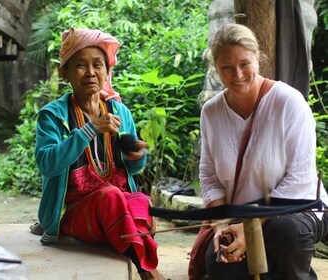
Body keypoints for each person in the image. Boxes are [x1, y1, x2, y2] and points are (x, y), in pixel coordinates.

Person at [31, 27, 166, 280]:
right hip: (73, 213)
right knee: (111, 197)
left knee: (141, 203)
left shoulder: (119, 111)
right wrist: (90, 129)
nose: (91, 72)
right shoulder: (53, 115)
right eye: (81, 65)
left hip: (117, 208)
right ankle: (148, 271)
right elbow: (47, 164)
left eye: (98, 65)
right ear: (66, 74)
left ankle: (138, 256)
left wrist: (136, 156)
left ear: (107, 71)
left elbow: (133, 169)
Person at [197, 23, 328, 279]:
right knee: (218, 265)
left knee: (285, 232)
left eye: (245, 63)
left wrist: (251, 227)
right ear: (216, 68)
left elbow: (300, 179)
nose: (237, 74)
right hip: (240, 216)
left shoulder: (288, 102)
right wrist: (222, 225)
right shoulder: (211, 112)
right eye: (226, 67)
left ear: (258, 58)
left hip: (296, 209)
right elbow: (210, 177)